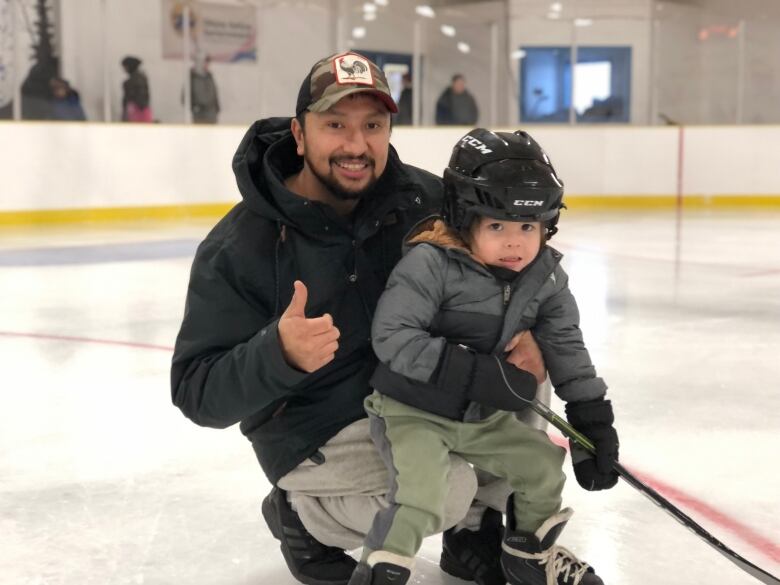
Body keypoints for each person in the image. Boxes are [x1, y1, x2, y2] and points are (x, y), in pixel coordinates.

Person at [171, 52, 545, 585]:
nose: (356, 145)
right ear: (300, 135)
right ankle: (302, 517)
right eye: (335, 125)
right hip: (320, 426)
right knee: (443, 489)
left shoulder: (429, 202)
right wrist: (276, 354)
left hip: (417, 396)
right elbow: (196, 393)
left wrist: (524, 326)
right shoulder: (239, 247)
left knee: (525, 376)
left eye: (372, 125)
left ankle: (474, 534)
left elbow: (514, 263)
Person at [346, 128, 620, 585]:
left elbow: (566, 344)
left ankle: (527, 554)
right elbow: (394, 336)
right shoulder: (431, 263)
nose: (515, 243)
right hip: (413, 411)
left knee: (541, 467)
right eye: (497, 226)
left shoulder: (544, 278)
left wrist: (592, 417)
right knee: (422, 493)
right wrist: (479, 374)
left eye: (527, 228)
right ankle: (382, 570)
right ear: (463, 219)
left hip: (479, 417)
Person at [189, 54, 220, 124]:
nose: (207, 64)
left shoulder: (210, 76)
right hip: (199, 116)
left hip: (211, 115)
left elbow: (214, 94)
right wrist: (194, 108)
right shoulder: (191, 78)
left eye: (207, 62)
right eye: (204, 62)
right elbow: (185, 98)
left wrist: (217, 109)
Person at [121, 56, 152, 122]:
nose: (124, 69)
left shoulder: (131, 81)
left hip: (137, 110)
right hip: (141, 110)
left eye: (125, 67)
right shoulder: (142, 78)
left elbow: (129, 98)